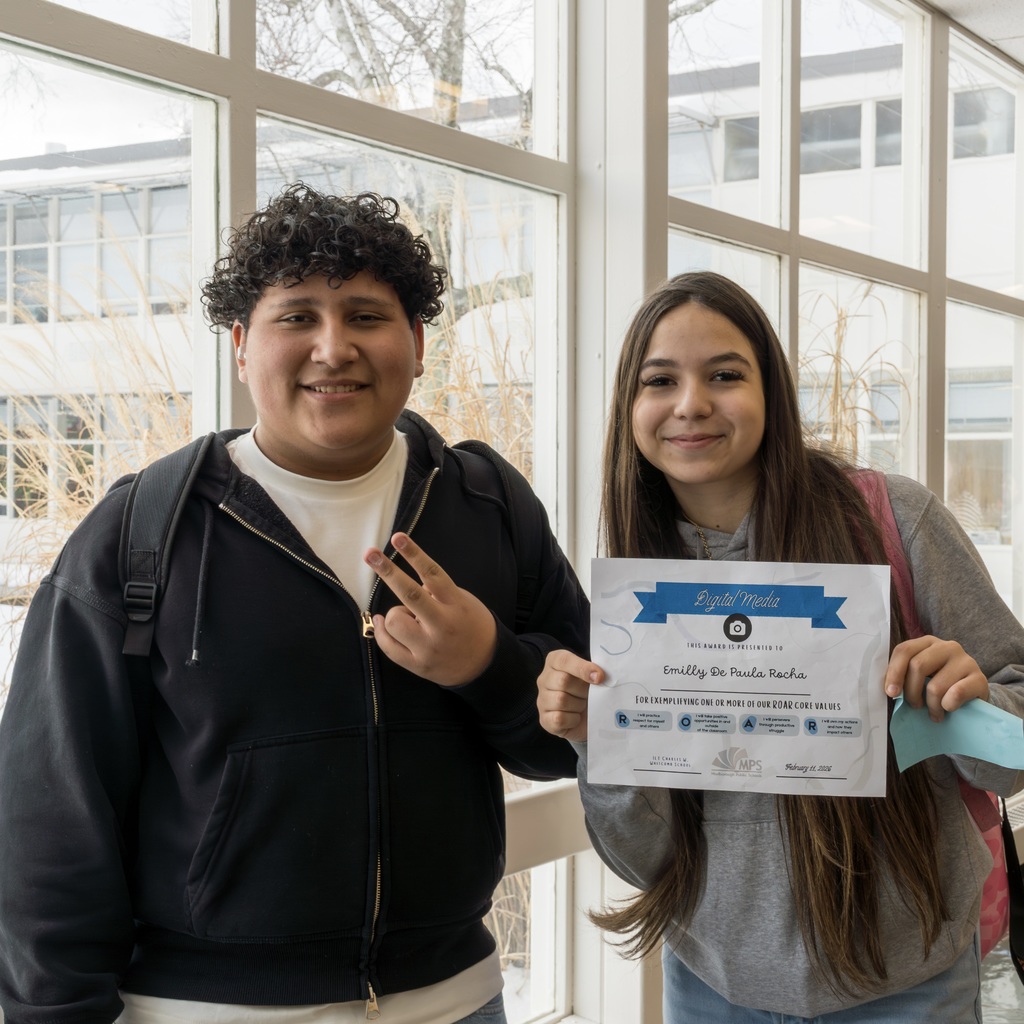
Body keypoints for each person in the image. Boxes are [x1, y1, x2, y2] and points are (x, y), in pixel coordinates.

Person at [0, 183, 588, 1024]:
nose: (333, 347)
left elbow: (580, 743)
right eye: (297, 317)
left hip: (459, 998)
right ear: (242, 346)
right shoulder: (142, 531)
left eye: (365, 316)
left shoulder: (486, 505)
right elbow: (50, 817)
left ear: (418, 344)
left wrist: (489, 666)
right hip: (205, 1009)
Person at [536, 271, 1024, 1022]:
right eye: (659, 380)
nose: (691, 403)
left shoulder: (893, 519)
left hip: (910, 980)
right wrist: (594, 740)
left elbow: (1011, 757)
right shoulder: (633, 587)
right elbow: (640, 855)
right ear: (629, 409)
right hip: (713, 985)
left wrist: (971, 700)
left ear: (772, 392)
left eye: (725, 374)